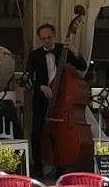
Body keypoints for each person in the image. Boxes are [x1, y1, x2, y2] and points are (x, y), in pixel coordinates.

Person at [25, 22, 89, 177]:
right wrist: (41, 87)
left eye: (49, 37)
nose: (47, 41)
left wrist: (74, 51)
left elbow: (82, 66)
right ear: (40, 39)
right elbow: (26, 80)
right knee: (38, 132)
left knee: (62, 133)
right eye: (43, 38)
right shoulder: (34, 55)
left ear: (54, 36)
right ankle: (39, 167)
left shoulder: (63, 50)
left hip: (63, 99)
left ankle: (62, 166)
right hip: (42, 99)